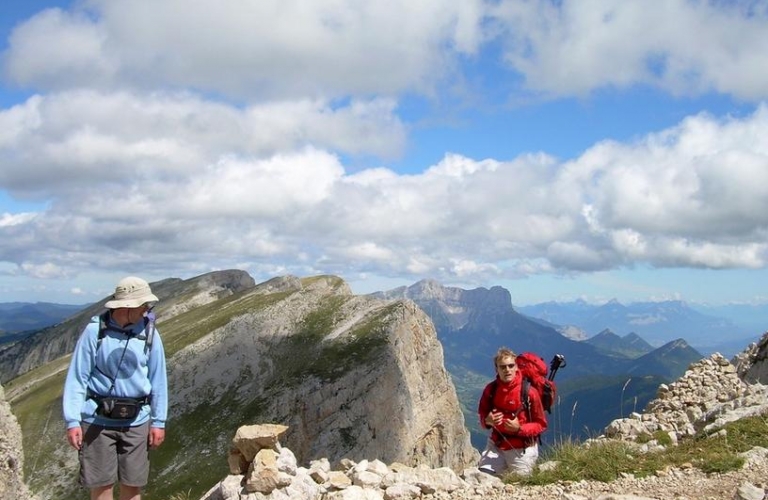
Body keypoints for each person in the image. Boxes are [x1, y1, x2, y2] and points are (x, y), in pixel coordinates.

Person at [63, 276, 168, 500]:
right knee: (101, 486)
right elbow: (77, 378)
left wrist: (158, 422)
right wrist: (72, 420)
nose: (147, 310)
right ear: (127, 306)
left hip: (137, 421)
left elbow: (159, 379)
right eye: (143, 305)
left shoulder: (150, 333)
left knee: (133, 485)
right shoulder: (94, 332)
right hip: (97, 421)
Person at [477, 347, 547, 477]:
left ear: (516, 367)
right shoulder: (491, 390)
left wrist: (519, 429)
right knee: (483, 478)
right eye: (503, 367)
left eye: (511, 366)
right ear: (496, 369)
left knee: (520, 484)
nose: (507, 370)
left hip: (522, 448)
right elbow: (482, 415)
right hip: (496, 445)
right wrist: (487, 421)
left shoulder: (529, 392)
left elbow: (541, 424)